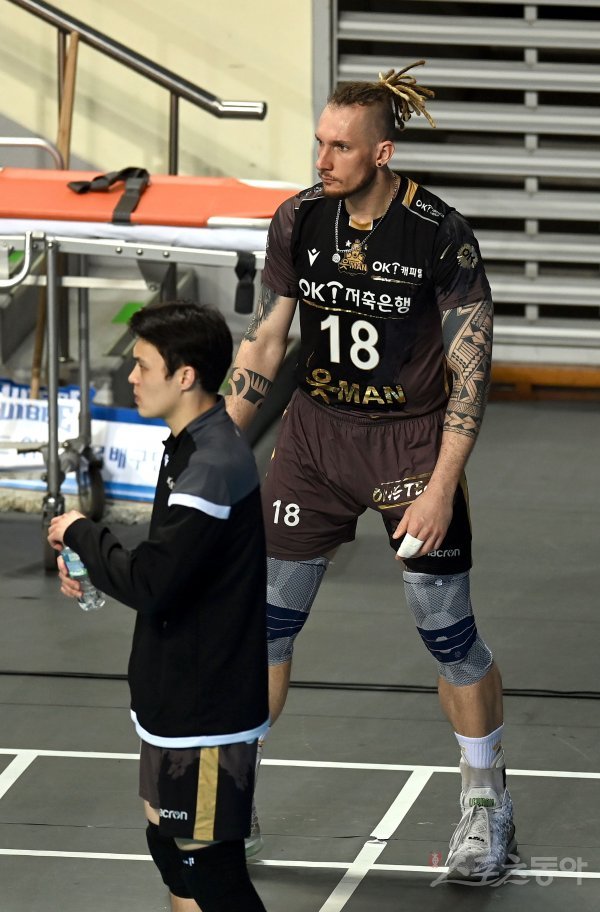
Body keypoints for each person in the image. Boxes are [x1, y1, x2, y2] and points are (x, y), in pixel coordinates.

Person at [226, 61, 516, 881]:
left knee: (447, 634)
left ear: (382, 153)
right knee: (267, 629)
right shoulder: (299, 218)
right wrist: (211, 442)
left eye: (341, 148)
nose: (322, 160)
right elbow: (268, 339)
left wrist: (439, 488)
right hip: (314, 443)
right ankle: (235, 795)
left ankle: (486, 804)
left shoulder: (440, 235)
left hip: (409, 447)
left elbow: (471, 375)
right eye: (319, 143)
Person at [48, 301, 269, 912]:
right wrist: (97, 567)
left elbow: (152, 582)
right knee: (171, 849)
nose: (132, 377)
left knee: (210, 868)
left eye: (143, 365)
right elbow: (173, 563)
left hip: (206, 704)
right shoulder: (187, 446)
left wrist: (81, 533)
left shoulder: (212, 465)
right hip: (174, 691)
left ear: (185, 375)